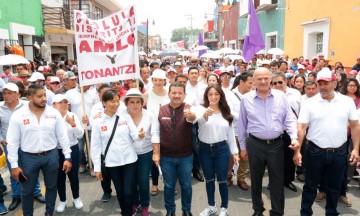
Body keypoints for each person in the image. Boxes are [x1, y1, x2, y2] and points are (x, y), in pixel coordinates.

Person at [297, 68, 360, 215]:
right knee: (310, 186)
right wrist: (297, 149)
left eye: (325, 83)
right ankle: (305, 213)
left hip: (339, 152)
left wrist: (356, 149)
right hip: (314, 151)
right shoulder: (310, 103)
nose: (322, 86)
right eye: (320, 83)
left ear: (334, 82)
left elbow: (356, 125)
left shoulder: (347, 102)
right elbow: (301, 127)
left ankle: (331, 212)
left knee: (334, 187)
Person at [238, 67, 299, 216]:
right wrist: (243, 147)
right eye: (259, 79)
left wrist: (294, 137)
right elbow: (242, 125)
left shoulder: (281, 97)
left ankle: (277, 212)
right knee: (256, 179)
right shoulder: (246, 99)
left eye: (266, 78)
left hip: (276, 145)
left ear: (270, 79)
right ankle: (258, 209)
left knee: (277, 181)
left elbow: (289, 119)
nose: (263, 81)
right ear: (254, 81)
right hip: (255, 144)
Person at [7, 84, 72, 216]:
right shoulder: (18, 115)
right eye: (39, 96)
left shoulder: (54, 113)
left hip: (51, 156)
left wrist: (67, 157)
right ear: (29, 97)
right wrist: (14, 165)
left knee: (52, 187)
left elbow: (63, 136)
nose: (43, 98)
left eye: (44, 95)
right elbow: (12, 142)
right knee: (27, 191)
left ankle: (49, 213)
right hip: (28, 159)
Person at [91, 89, 141, 216]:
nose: (116, 104)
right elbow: (95, 146)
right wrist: (97, 168)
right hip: (112, 162)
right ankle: (125, 213)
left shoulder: (125, 116)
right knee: (120, 191)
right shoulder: (98, 121)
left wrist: (139, 134)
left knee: (128, 192)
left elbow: (134, 134)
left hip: (129, 159)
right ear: (104, 103)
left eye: (118, 101)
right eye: (112, 101)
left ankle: (128, 212)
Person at [151, 82, 196, 216]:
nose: (176, 95)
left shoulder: (190, 109)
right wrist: (156, 153)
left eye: (180, 93)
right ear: (169, 94)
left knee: (187, 186)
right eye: (174, 93)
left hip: (186, 156)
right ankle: (170, 210)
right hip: (166, 157)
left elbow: (194, 118)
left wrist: (192, 116)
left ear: (185, 95)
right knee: (169, 186)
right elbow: (155, 133)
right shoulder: (160, 110)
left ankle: (186, 210)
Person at [0, 83, 46, 212]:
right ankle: (16, 196)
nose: (7, 96)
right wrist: (1, 140)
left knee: (31, 170)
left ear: (18, 94)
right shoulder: (0, 108)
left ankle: (36, 192)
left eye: (10, 93)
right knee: (14, 171)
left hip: (28, 145)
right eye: (5, 93)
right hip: (10, 146)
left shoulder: (27, 105)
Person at [197, 85, 239, 216]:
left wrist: (235, 152)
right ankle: (211, 206)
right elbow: (194, 119)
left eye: (216, 94)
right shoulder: (201, 110)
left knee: (222, 180)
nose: (213, 97)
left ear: (221, 96)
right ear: (206, 96)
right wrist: (205, 115)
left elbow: (231, 135)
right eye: (210, 94)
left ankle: (224, 208)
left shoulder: (226, 112)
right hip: (204, 150)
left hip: (221, 149)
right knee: (209, 180)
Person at [123, 89, 154, 216]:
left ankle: (145, 205)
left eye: (137, 102)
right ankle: (135, 203)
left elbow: (156, 134)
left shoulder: (149, 115)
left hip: (146, 153)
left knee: (143, 180)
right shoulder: (121, 116)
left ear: (142, 103)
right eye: (132, 102)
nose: (135, 105)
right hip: (128, 154)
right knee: (131, 181)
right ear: (126, 104)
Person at [52, 94, 84, 213]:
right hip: (57, 151)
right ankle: (62, 200)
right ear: (53, 105)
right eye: (60, 102)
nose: (63, 104)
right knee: (60, 177)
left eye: (65, 102)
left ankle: (76, 198)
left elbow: (80, 135)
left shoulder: (72, 115)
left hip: (72, 148)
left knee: (73, 176)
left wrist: (73, 124)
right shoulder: (50, 117)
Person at [143, 69, 170, 195]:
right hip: (151, 131)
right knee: (155, 157)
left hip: (168, 130)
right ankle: (154, 183)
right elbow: (135, 108)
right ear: (152, 80)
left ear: (165, 81)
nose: (158, 82)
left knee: (169, 158)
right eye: (155, 80)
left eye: (160, 80)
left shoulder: (169, 93)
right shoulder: (147, 94)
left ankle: (169, 183)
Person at [230, 73, 253, 190]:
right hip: (233, 132)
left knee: (245, 157)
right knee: (231, 157)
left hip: (247, 132)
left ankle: (241, 178)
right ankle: (228, 177)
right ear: (241, 82)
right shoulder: (230, 94)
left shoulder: (253, 95)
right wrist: (245, 117)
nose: (252, 85)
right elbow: (229, 111)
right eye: (250, 83)